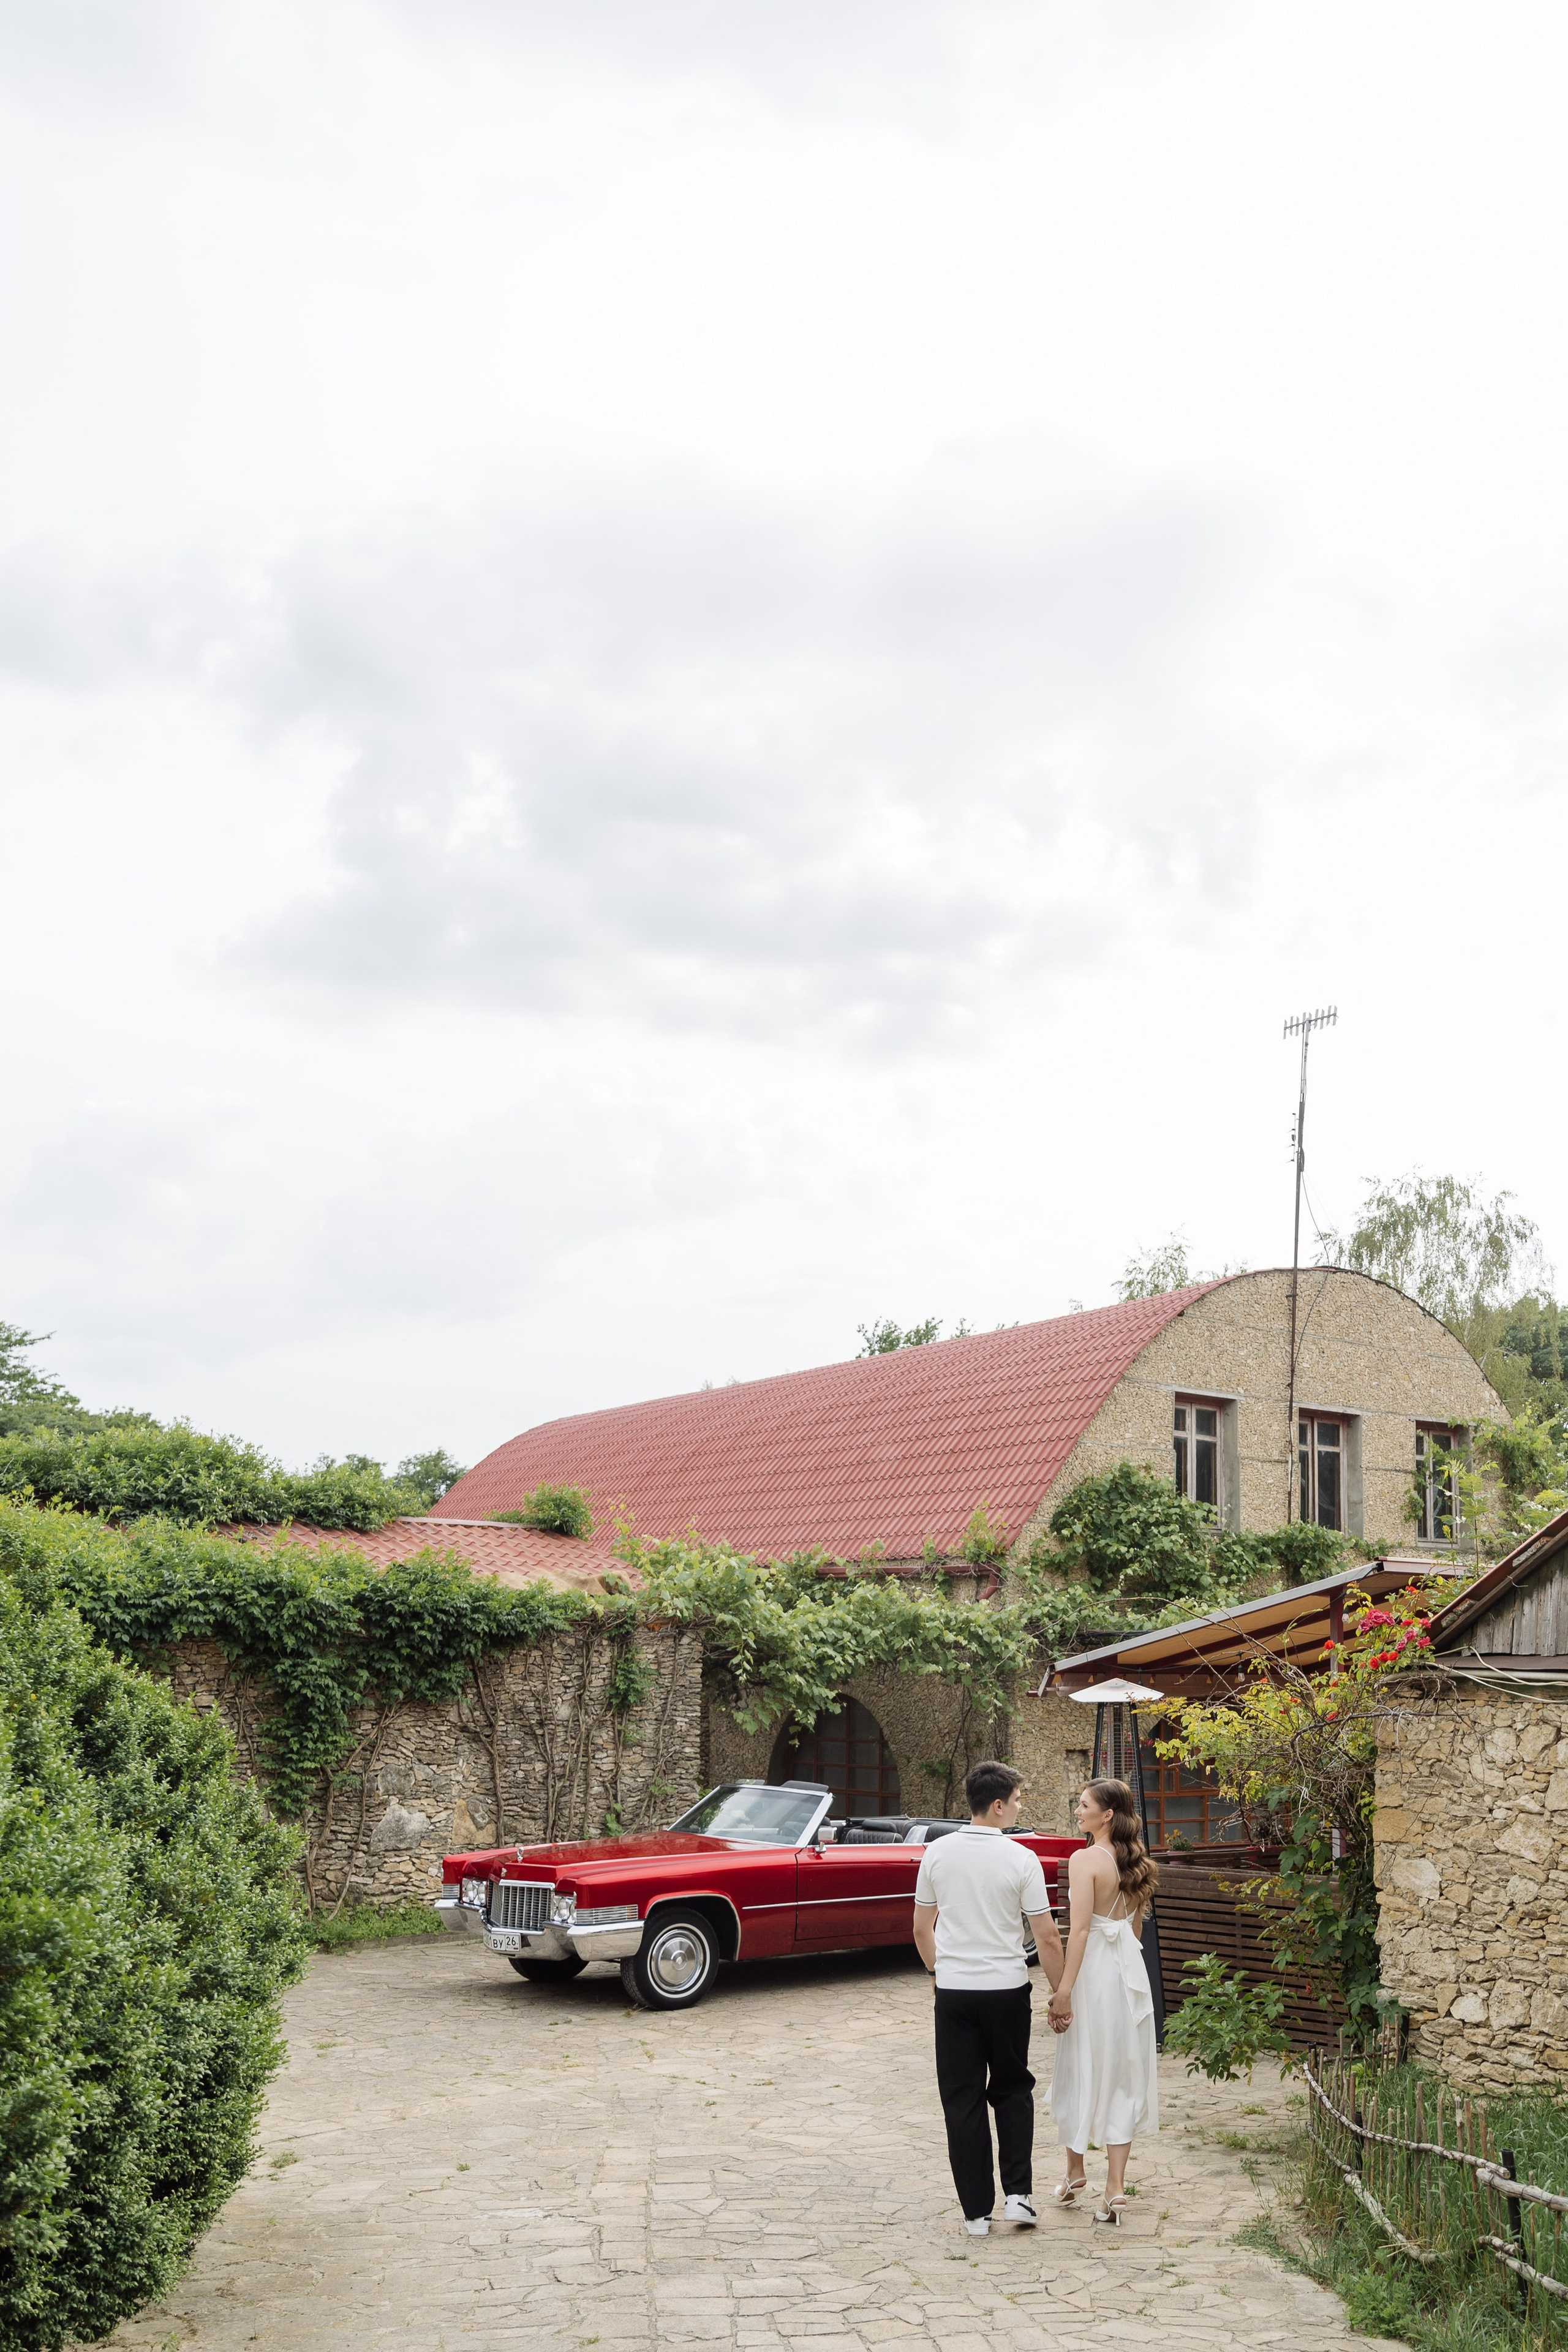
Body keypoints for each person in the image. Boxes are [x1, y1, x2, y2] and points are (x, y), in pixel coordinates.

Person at [913, 1760, 1066, 2238]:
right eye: (1018, 1799)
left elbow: (921, 1927)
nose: (1020, 1806)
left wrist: (939, 1971)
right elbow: (1047, 1937)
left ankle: (976, 2213)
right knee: (1012, 2089)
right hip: (1006, 1990)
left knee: (962, 2099)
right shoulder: (1021, 1859)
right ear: (998, 1805)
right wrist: (1060, 1993)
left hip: (955, 1992)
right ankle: (1018, 2196)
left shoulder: (936, 1853)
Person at [1046, 1777, 1160, 2226]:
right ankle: (1112, 2186)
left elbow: (1079, 1931)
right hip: (1129, 1979)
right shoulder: (1137, 1863)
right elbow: (1132, 1934)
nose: (1078, 1811)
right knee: (1120, 2073)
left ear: (1106, 1814)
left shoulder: (1085, 1860)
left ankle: (1077, 2170)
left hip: (1093, 1974)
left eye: (1084, 1804)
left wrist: (1064, 1991)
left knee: (1080, 2064)